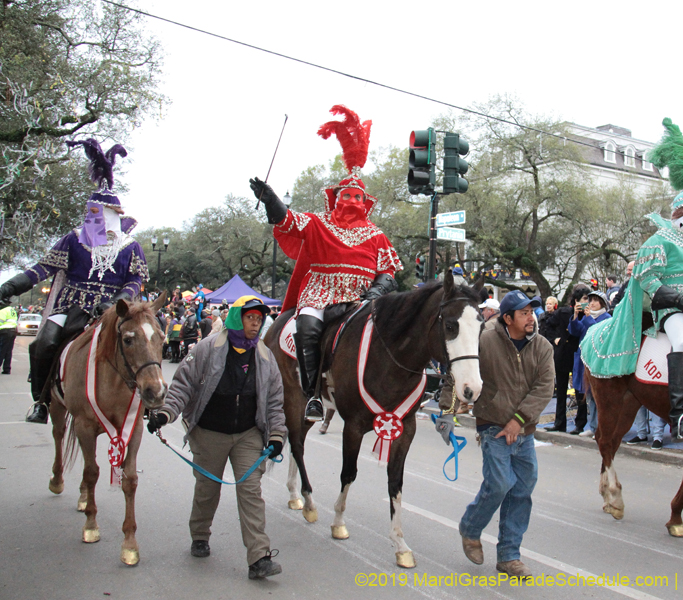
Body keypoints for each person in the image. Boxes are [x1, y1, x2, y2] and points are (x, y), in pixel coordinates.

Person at [580, 118, 683, 439]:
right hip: (672, 312)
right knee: (681, 340)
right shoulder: (659, 242)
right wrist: (676, 298)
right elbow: (649, 280)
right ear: (681, 214)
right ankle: (679, 414)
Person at [250, 105, 402, 422]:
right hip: (320, 293)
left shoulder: (377, 235)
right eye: (346, 196)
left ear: (365, 204)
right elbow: (289, 220)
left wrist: (375, 293)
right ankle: (312, 395)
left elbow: (388, 273)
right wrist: (272, 200)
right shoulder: (318, 224)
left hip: (361, 297)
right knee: (307, 327)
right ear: (336, 199)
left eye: (358, 198)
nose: (352, 201)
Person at [0, 139, 149, 423]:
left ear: (111, 215)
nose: (91, 218)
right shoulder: (73, 239)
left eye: (97, 213)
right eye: (90, 211)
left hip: (114, 309)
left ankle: (146, 397)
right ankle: (41, 401)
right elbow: (40, 270)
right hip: (71, 305)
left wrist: (116, 302)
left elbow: (134, 282)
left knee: (144, 339)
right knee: (42, 343)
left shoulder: (130, 246)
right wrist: (11, 287)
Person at [147, 297, 286, 580]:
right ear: (236, 318)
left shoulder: (265, 356)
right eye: (250, 317)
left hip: (248, 433)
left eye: (259, 319)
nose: (255, 323)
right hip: (210, 431)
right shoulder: (206, 349)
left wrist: (276, 436)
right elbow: (182, 387)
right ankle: (200, 534)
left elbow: (274, 402)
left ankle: (259, 556)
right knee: (207, 489)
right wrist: (164, 414)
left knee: (251, 492)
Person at [458, 290, 554, 580]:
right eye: (524, 313)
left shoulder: (543, 347)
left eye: (532, 312)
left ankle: (509, 556)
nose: (531, 318)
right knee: (500, 483)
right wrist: (452, 405)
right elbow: (463, 369)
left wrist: (519, 421)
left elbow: (544, 387)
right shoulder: (484, 341)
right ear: (508, 318)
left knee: (522, 489)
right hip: (492, 426)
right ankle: (471, 528)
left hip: (523, 430)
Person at [542, 284, 590, 432]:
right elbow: (547, 325)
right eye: (584, 299)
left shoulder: (588, 315)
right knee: (561, 389)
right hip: (563, 353)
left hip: (579, 354)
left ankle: (579, 424)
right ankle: (559, 422)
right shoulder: (563, 312)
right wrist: (554, 338)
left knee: (579, 390)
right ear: (575, 300)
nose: (586, 302)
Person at [567, 290, 611, 437]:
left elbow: (598, 332)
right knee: (590, 397)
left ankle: (602, 428)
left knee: (600, 398)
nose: (591, 303)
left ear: (602, 304)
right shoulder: (587, 317)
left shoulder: (607, 318)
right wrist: (575, 316)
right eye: (590, 300)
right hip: (585, 360)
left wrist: (586, 317)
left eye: (595, 301)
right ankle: (593, 427)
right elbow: (575, 330)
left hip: (598, 362)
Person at [0, 304, 17, 374]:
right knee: (8, 351)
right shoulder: (11, 309)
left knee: (1, 350)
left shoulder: (3, 311)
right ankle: (7, 369)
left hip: (5, 331)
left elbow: (0, 322)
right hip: (13, 331)